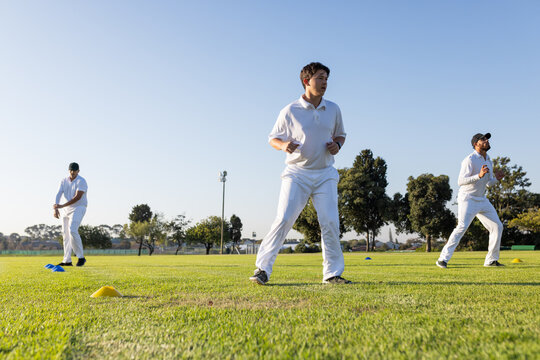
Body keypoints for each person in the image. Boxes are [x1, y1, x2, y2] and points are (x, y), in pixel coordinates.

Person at [250, 62, 349, 285]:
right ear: (307, 81)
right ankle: (262, 270)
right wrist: (283, 145)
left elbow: (340, 135)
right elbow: (272, 138)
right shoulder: (289, 110)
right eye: (320, 78)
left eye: (326, 79)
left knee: (330, 222)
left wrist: (338, 145)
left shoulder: (333, 109)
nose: (325, 83)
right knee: (284, 219)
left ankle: (332, 274)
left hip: (325, 174)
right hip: (297, 173)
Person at [437, 133, 505, 268]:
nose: (487, 141)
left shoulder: (488, 159)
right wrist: (478, 176)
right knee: (462, 227)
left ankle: (491, 260)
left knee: (497, 226)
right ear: (476, 144)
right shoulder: (469, 160)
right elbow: (460, 181)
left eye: (487, 139)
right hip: (468, 198)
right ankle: (442, 259)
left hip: (482, 199)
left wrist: (496, 179)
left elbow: (488, 184)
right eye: (483, 139)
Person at [54, 162, 88, 267]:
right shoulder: (64, 180)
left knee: (73, 230)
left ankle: (81, 257)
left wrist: (62, 205)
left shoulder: (81, 181)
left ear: (78, 171)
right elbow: (59, 193)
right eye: (71, 170)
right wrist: (56, 208)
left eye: (75, 170)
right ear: (69, 170)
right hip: (66, 209)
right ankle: (67, 260)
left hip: (79, 207)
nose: (72, 172)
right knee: (65, 234)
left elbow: (77, 197)